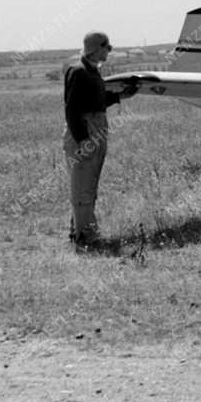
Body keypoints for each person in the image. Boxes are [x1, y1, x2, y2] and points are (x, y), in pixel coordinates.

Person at [63, 31, 136, 250]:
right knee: (82, 185)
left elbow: (98, 100)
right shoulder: (78, 71)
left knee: (88, 184)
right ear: (97, 47)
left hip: (96, 130)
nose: (109, 51)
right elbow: (72, 109)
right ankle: (86, 236)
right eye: (107, 47)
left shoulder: (92, 71)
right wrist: (83, 139)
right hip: (85, 132)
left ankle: (79, 230)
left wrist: (122, 95)